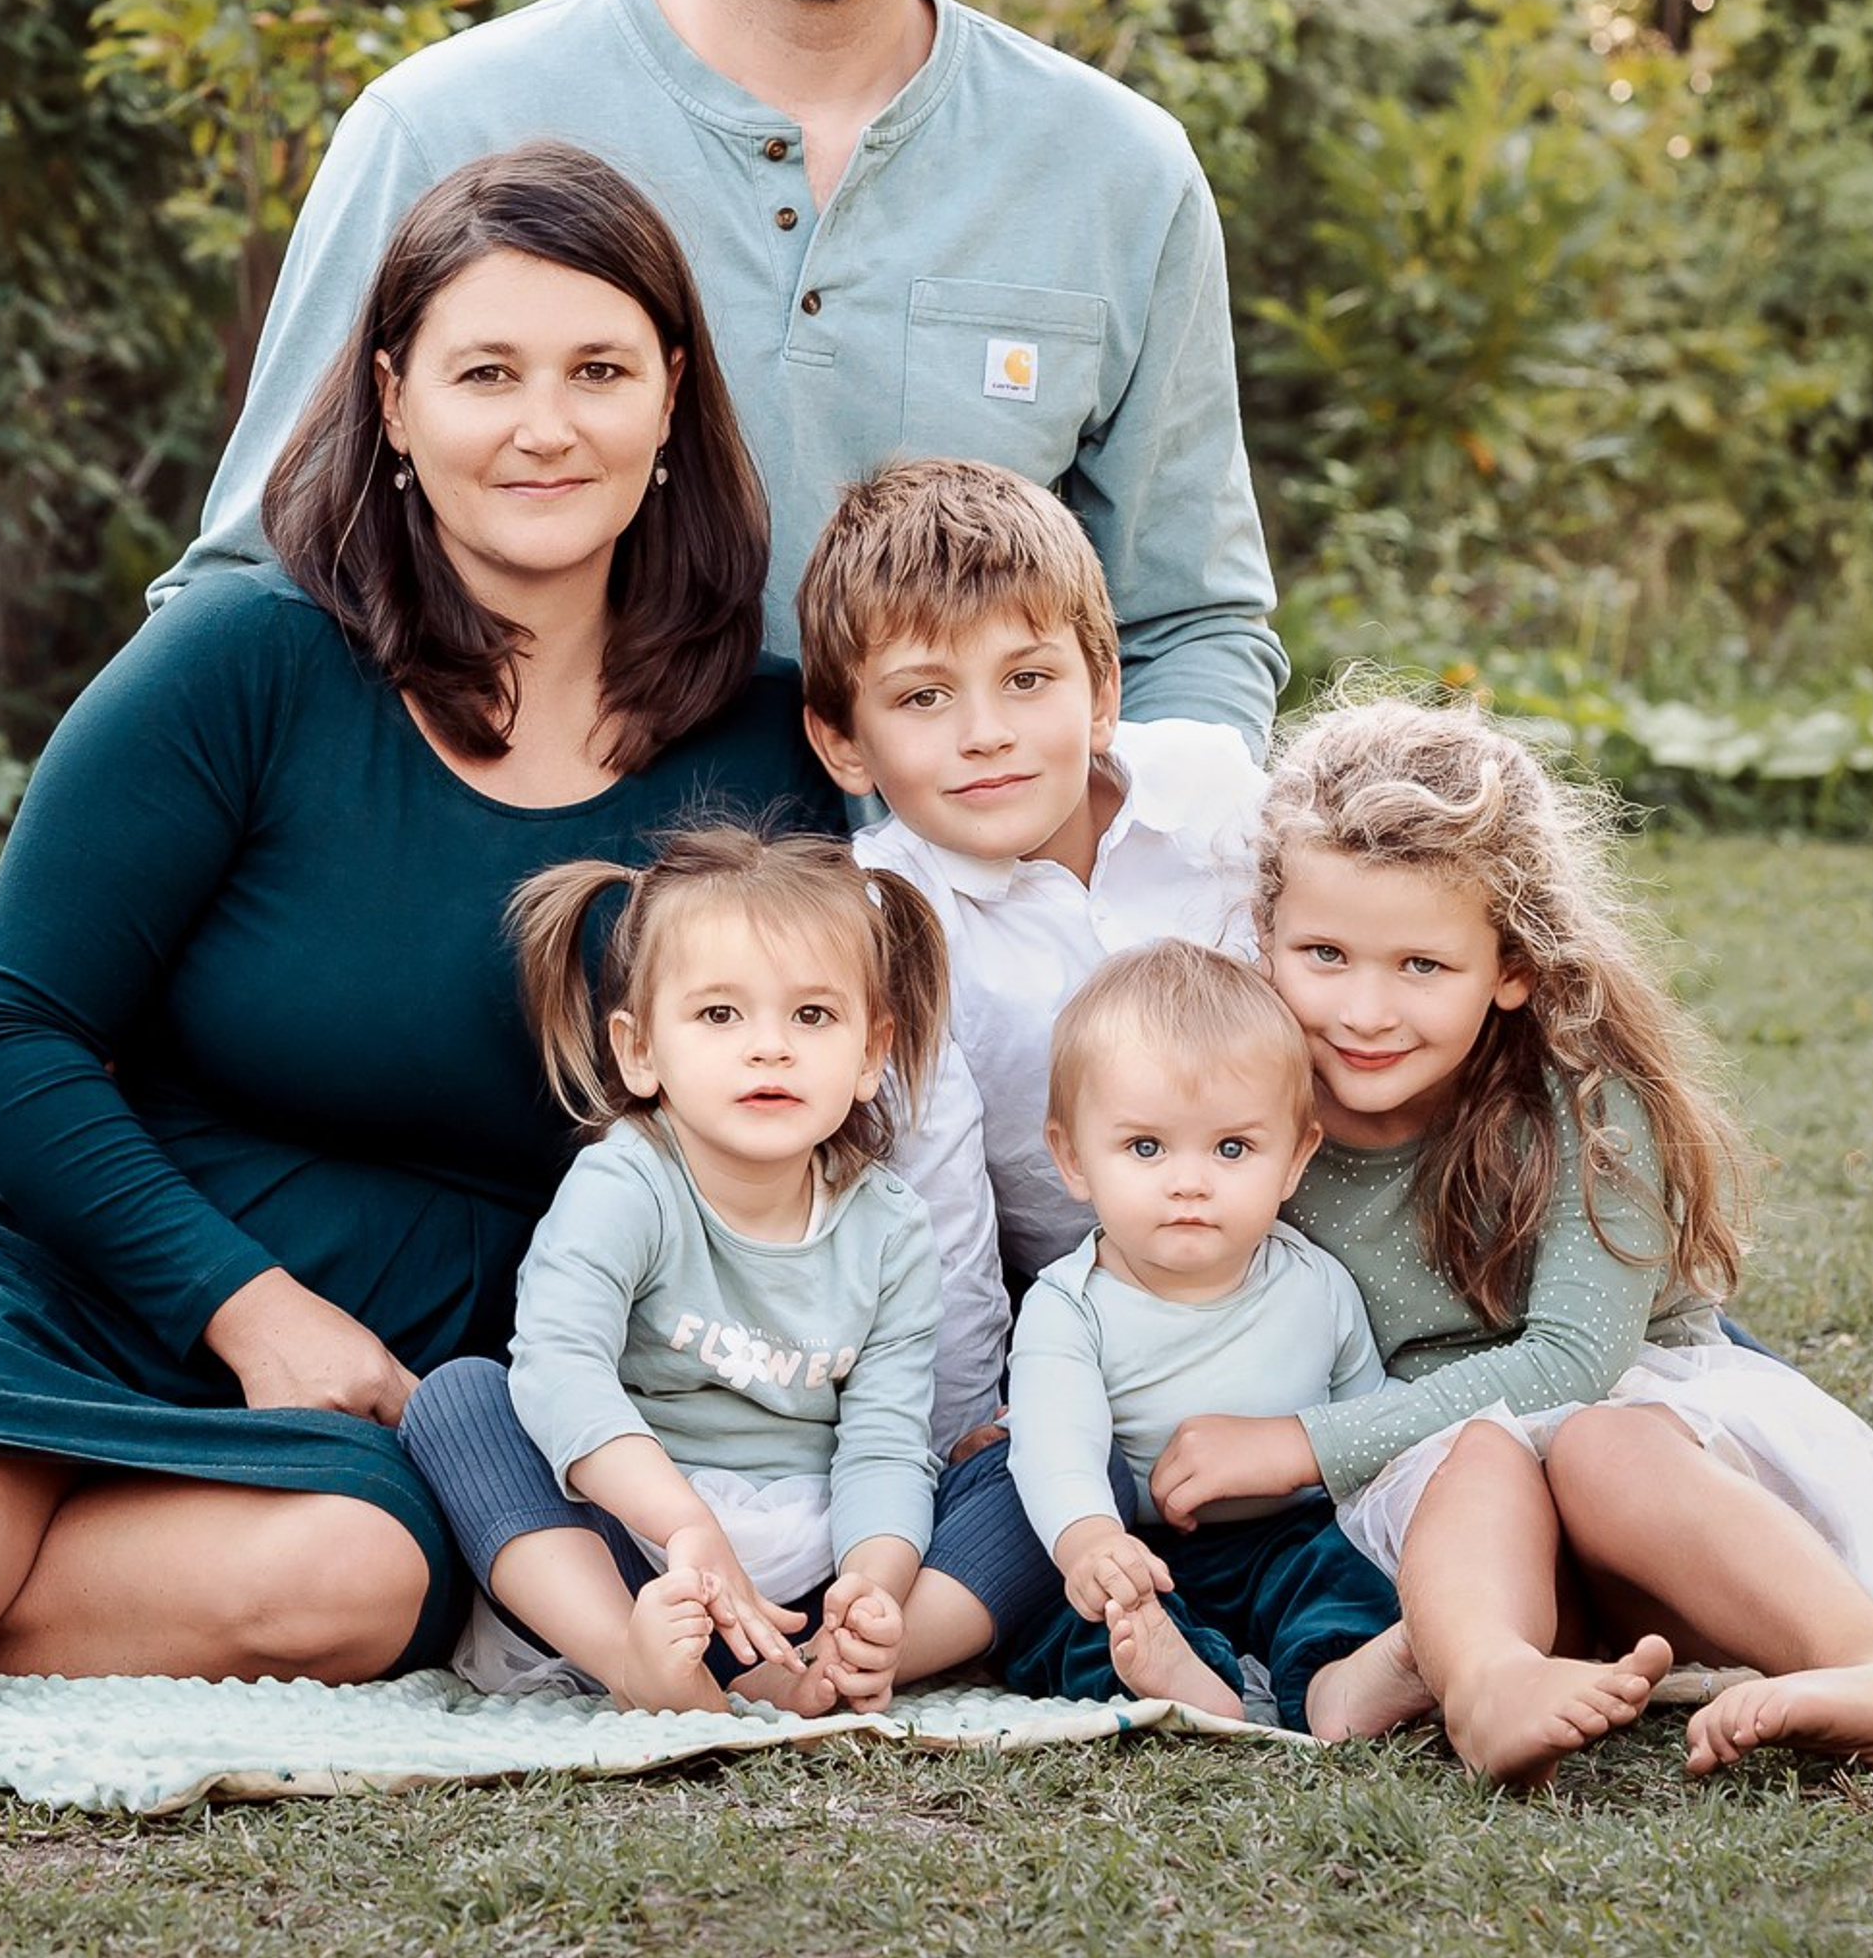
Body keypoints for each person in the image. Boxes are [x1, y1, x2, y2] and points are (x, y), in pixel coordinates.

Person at [0, 142, 840, 1700]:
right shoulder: (248, 661)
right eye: (485, 371)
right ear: (392, 403)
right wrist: (250, 1314)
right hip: (82, 1246)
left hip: (403, 1362)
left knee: (354, 1590)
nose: (543, 425)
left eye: (598, 370)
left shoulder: (767, 750)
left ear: (671, 401)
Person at [156, 0, 1286, 750]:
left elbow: (1190, 628)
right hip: (523, 891)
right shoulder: (444, 126)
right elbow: (258, 583)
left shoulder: (1114, 172)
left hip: (948, 912)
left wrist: (1142, 876)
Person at [1148, 690, 1873, 1786]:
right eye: (1322, 952)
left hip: (1664, 1457)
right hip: (1461, 1497)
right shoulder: (1250, 1106)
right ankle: (1491, 1678)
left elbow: (1572, 1366)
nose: (1362, 1009)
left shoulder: (1583, 1101)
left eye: (1420, 967)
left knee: (1588, 1441)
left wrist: (1300, 1445)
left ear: (1512, 966)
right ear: (1264, 936)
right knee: (1478, 1462)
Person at [398, 826, 945, 1716]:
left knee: (1024, 1474)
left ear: (870, 1052)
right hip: (640, 1547)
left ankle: (840, 1656)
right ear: (639, 1049)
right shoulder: (630, 1181)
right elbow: (561, 1363)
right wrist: (684, 1523)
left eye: (812, 1015)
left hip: (810, 1566)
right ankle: (636, 1661)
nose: (769, 1047)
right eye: (720, 1014)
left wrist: (872, 1581)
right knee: (459, 1400)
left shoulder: (890, 1229)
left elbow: (886, 1440)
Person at [796, 455, 1266, 1451]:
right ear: (843, 743)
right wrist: (972, 1427)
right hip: (1095, 1320)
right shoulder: (882, 920)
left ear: (1101, 693)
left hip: (1317, 1251)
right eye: (923, 698)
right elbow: (936, 1214)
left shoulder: (1214, 794)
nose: (985, 735)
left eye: (1026, 679)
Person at [990, 942, 1431, 1739]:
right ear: (1071, 1158)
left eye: (1232, 1149)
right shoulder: (1070, 1306)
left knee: (1343, 1577)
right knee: (1076, 1617)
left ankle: (1344, 1677)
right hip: (1135, 1543)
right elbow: (1055, 1448)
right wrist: (1090, 1539)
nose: (1189, 1182)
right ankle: (1183, 1676)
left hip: (1287, 1532)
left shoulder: (1316, 1285)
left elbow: (1366, 1424)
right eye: (1146, 1148)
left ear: (1296, 1159)